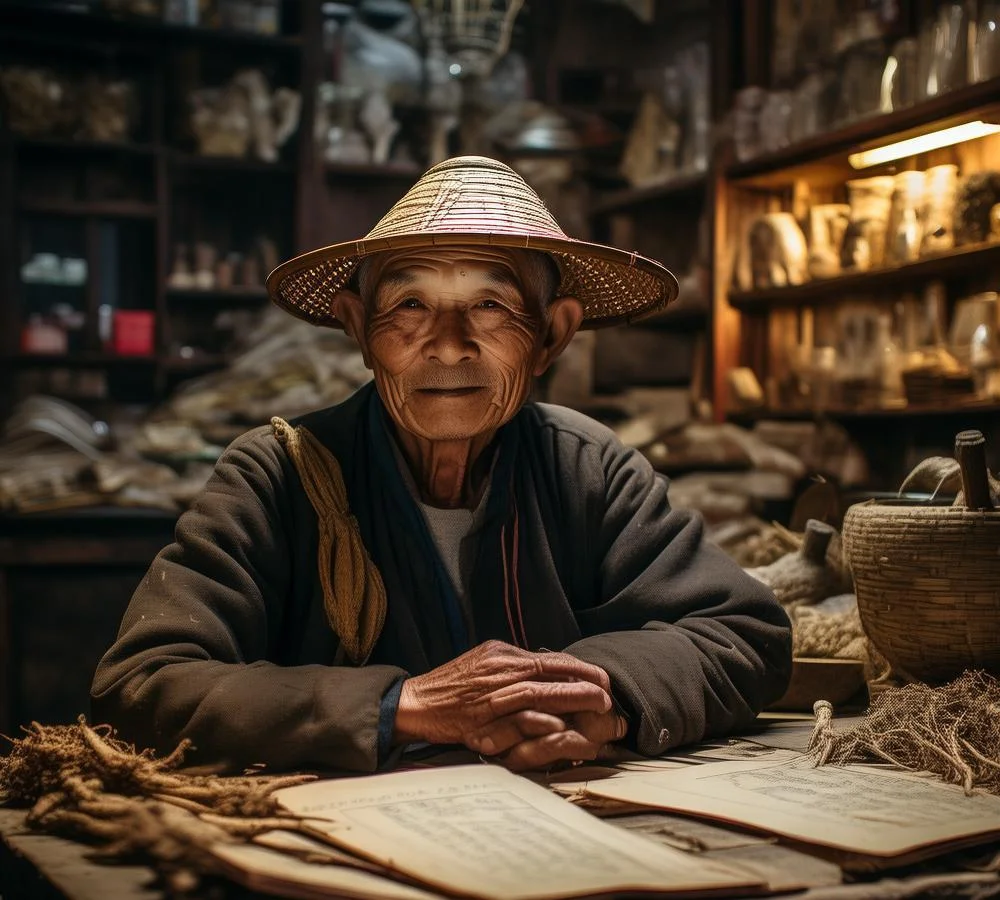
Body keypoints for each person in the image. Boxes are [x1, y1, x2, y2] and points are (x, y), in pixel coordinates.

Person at [92, 156, 791, 774]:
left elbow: (744, 634)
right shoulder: (280, 475)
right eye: (409, 306)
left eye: (490, 305)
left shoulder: (586, 468)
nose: (449, 346)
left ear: (552, 334)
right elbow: (144, 682)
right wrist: (406, 704)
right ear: (359, 329)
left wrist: (596, 699)